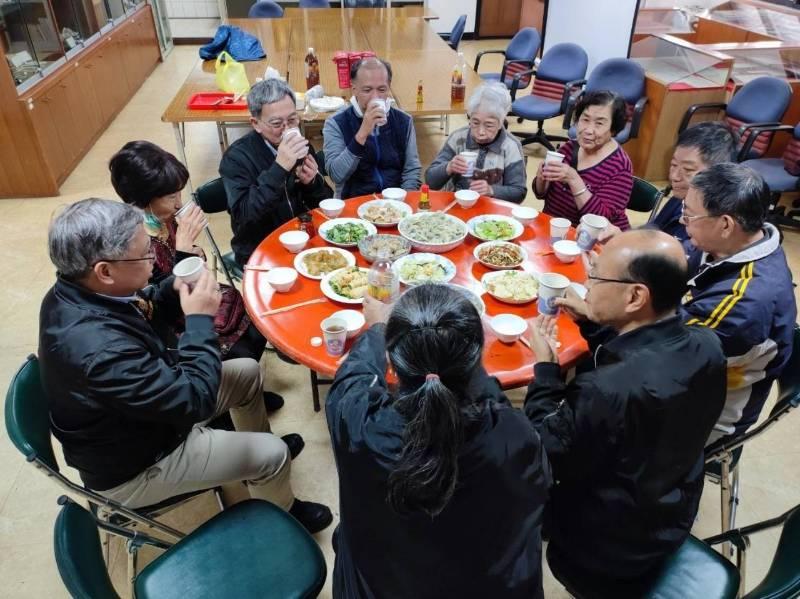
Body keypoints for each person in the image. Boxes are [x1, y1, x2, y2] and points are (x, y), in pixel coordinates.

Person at [39, 199, 333, 533]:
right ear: (104, 271)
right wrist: (198, 320)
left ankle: (254, 463)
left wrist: (175, 283)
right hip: (139, 462)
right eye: (144, 253)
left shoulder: (77, 289)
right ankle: (283, 519)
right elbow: (195, 400)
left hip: (145, 417)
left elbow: (144, 306)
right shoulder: (98, 350)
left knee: (248, 372)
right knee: (273, 453)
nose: (153, 255)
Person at [526, 230, 726, 596]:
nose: (586, 285)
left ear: (636, 296)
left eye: (596, 276)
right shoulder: (708, 345)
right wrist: (595, 322)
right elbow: (642, 364)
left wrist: (546, 372)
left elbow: (543, 446)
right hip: (670, 512)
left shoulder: (606, 389)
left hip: (604, 550)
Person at [326, 286, 551, 599]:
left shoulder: (358, 424)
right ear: (477, 357)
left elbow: (351, 380)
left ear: (392, 359)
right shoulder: (514, 436)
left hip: (377, 583)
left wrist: (377, 328)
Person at [679, 163, 796, 447]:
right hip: (695, 370)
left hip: (707, 413)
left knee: (599, 401)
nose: (683, 221)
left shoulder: (744, 303)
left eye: (689, 214)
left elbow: (668, 351)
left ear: (725, 224)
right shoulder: (738, 243)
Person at [220, 79, 332, 266]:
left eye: (292, 120)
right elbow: (244, 218)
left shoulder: (301, 146)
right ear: (255, 123)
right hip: (261, 249)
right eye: (277, 123)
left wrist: (312, 184)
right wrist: (279, 168)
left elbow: (323, 203)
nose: (287, 129)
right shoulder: (235, 159)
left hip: (302, 240)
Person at [599, 121, 736, 243]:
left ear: (718, 173)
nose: (674, 176)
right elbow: (652, 231)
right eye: (674, 164)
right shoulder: (681, 197)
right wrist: (622, 237)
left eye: (688, 169)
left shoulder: (714, 226)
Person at [533, 90, 633, 230]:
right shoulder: (569, 147)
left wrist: (574, 180)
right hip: (556, 230)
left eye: (599, 124)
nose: (588, 130)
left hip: (591, 240)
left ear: (613, 129)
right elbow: (541, 194)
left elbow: (600, 221)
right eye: (585, 119)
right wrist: (541, 179)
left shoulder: (619, 166)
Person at [323, 57, 422, 198]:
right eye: (367, 90)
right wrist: (362, 133)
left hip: (395, 202)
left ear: (389, 87)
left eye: (382, 89)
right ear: (354, 89)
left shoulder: (404, 121)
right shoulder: (336, 123)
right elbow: (337, 175)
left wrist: (404, 201)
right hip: (354, 202)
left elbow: (411, 170)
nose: (376, 96)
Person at [425, 82, 527, 203]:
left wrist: (492, 190)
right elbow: (430, 181)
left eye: (489, 125)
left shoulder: (511, 146)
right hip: (457, 206)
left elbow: (519, 192)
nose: (480, 132)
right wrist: (449, 167)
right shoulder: (458, 138)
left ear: (500, 123)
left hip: (493, 212)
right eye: (475, 123)